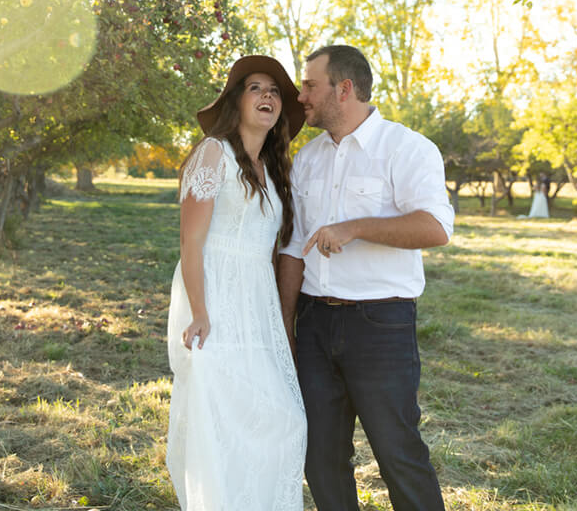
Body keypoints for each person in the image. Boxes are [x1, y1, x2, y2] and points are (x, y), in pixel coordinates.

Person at [276, 45, 454, 511]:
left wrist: (354, 228)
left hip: (381, 326)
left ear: (345, 88)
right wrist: (286, 326)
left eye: (310, 85)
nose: (301, 96)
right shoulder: (307, 159)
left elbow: (436, 229)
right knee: (320, 456)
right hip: (314, 324)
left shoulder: (407, 148)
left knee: (398, 453)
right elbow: (294, 247)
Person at [166, 55, 308, 511]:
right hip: (215, 300)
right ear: (236, 101)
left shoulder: (274, 168)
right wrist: (201, 311)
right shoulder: (214, 152)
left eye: (274, 92)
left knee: (281, 417)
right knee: (221, 418)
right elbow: (191, 242)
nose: (267, 97)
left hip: (257, 303)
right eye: (256, 88)